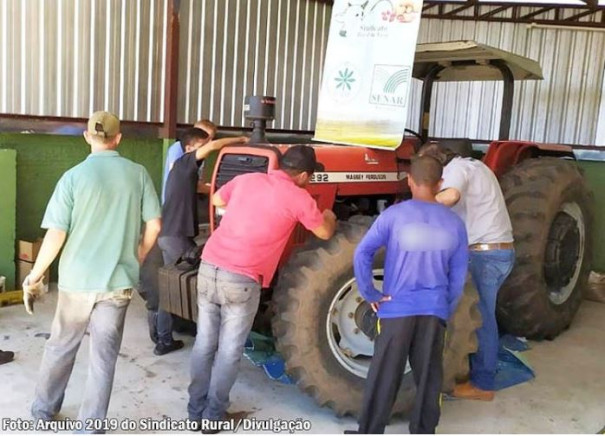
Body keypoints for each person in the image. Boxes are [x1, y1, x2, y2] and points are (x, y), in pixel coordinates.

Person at [24, 111, 162, 425]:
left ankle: (43, 411)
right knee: (103, 358)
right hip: (117, 283)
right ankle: (91, 427)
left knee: (60, 346)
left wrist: (36, 273)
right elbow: (154, 224)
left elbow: (56, 234)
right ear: (118, 139)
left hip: (76, 281)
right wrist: (136, 255)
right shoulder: (138, 173)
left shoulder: (73, 177)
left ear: (87, 137)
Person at [187, 145, 337, 427]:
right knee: (229, 350)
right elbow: (324, 232)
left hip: (209, 266)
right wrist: (328, 214)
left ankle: (195, 411)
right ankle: (213, 416)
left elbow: (218, 199)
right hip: (241, 280)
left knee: (205, 342)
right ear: (304, 175)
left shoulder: (248, 179)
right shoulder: (299, 197)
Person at [348, 155, 468, 434]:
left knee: (384, 374)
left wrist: (370, 292)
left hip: (395, 310)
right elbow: (458, 277)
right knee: (429, 376)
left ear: (410, 181)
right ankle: (424, 430)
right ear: (440, 184)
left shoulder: (393, 216)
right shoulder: (455, 224)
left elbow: (362, 252)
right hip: (434, 310)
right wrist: (444, 308)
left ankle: (370, 430)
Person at [418, 142, 515, 401]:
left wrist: (414, 211)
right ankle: (470, 369)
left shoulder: (457, 168)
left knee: (482, 318)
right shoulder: (477, 167)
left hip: (484, 254)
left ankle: (483, 385)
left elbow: (450, 197)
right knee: (482, 313)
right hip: (498, 250)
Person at [151, 129, 248, 356]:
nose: (206, 150)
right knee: (202, 285)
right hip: (175, 238)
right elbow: (213, 147)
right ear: (189, 149)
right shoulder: (185, 162)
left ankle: (163, 338)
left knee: (170, 288)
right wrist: (241, 139)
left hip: (170, 235)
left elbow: (204, 189)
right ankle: (204, 339)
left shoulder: (183, 172)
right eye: (202, 146)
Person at [162, 119, 217, 203]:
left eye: (211, 139)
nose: (209, 142)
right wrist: (209, 188)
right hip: (175, 202)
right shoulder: (178, 148)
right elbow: (178, 178)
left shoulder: (200, 154)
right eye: (207, 137)